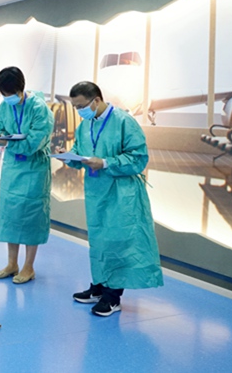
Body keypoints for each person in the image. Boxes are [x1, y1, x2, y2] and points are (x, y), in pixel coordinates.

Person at [59, 81, 163, 317]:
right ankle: (98, 286)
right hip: (97, 193)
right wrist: (70, 157)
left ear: (96, 100)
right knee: (99, 241)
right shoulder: (86, 125)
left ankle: (113, 297)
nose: (79, 111)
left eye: (81, 106)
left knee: (117, 242)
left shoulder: (124, 122)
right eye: (75, 107)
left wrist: (106, 162)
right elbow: (82, 153)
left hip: (121, 193)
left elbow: (138, 158)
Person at [0, 67, 54, 285]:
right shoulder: (4, 106)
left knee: (31, 216)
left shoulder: (39, 108)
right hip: (12, 168)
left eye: (10, 93)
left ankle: (28, 266)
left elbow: (36, 141)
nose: (7, 98)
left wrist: (9, 143)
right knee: (11, 214)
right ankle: (12, 263)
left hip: (34, 168)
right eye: (3, 94)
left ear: (21, 88)